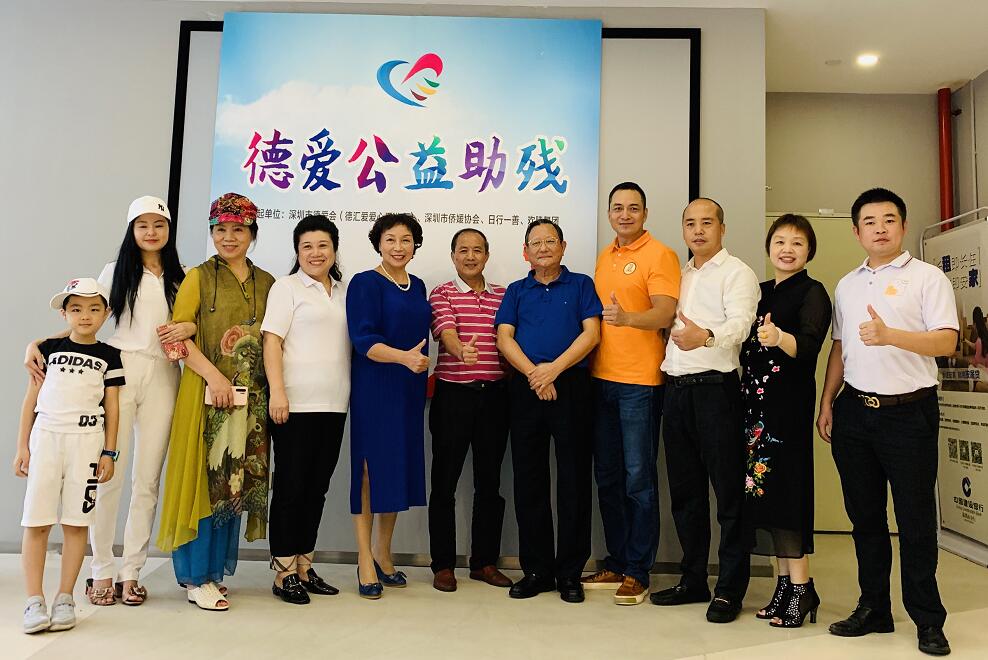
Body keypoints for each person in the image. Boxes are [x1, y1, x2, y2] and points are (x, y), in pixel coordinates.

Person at [25, 196, 192, 608]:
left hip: (165, 374)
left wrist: (188, 326)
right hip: (119, 372)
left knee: (147, 479)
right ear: (131, 230)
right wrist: (40, 343)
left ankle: (131, 571)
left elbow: (191, 325)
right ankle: (101, 569)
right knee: (107, 474)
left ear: (168, 230)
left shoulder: (182, 276)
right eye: (142, 225)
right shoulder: (115, 271)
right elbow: (88, 320)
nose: (151, 232)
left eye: (159, 224)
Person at [817, 188, 957, 656]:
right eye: (870, 222)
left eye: (889, 219)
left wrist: (890, 335)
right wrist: (827, 401)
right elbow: (840, 347)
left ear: (903, 226)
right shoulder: (847, 284)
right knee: (865, 518)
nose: (880, 228)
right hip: (855, 412)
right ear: (856, 232)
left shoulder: (927, 278)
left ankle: (928, 619)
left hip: (909, 413)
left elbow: (946, 342)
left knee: (915, 520)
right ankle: (874, 607)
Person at [156, 193, 275, 611]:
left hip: (251, 401)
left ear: (252, 233)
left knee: (233, 483)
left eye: (238, 229)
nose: (228, 237)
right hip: (207, 394)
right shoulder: (198, 277)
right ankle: (195, 576)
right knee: (204, 482)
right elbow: (173, 339)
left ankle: (213, 572)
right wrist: (214, 376)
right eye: (220, 229)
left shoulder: (267, 282)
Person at [650, 198, 759, 623]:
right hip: (676, 392)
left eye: (707, 223)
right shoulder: (679, 274)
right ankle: (693, 579)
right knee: (685, 495)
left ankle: (730, 589)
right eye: (690, 223)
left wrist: (707, 337)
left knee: (729, 495)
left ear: (722, 228)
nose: (698, 230)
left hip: (716, 392)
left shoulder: (737, 272)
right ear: (683, 230)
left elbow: (742, 325)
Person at [495, 218, 602, 604]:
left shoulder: (581, 285)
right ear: (526, 252)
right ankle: (537, 570)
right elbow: (504, 338)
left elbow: (592, 333)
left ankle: (570, 573)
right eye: (535, 243)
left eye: (550, 241)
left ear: (563, 246)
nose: (543, 248)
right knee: (529, 480)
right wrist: (535, 375)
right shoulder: (516, 290)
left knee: (574, 480)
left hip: (571, 386)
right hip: (527, 387)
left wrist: (553, 370)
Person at [583, 182, 679, 606]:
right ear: (609, 213)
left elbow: (665, 313)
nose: (625, 215)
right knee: (608, 477)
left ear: (645, 213)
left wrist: (627, 319)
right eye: (618, 208)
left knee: (639, 480)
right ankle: (618, 561)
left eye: (633, 208)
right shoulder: (605, 256)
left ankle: (639, 571)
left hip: (640, 383)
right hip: (600, 380)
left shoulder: (660, 254)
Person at [14, 278, 124, 633]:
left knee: (77, 523)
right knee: (37, 521)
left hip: (87, 442)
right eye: (76, 309)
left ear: (106, 313)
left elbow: (113, 407)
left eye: (94, 309)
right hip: (47, 439)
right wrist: (22, 446)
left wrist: (109, 452)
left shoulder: (110, 356)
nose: (85, 316)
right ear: (64, 313)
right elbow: (30, 400)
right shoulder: (47, 349)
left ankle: (65, 598)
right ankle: (34, 600)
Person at [740, 214, 831, 627]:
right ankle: (783, 587)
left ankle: (802, 588)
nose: (787, 249)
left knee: (789, 493)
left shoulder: (813, 292)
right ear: (769, 248)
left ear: (809, 250)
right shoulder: (759, 292)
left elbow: (810, 346)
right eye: (780, 241)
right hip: (753, 410)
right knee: (766, 496)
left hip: (787, 409)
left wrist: (780, 339)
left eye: (797, 242)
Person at [262, 215, 350, 604]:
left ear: (334, 249)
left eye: (323, 245)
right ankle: (283, 572)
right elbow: (271, 342)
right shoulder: (287, 288)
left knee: (317, 489)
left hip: (335, 403)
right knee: (290, 488)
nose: (315, 253)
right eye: (307, 247)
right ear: (297, 252)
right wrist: (278, 393)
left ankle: (304, 565)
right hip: (294, 404)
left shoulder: (345, 291)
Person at [346, 213, 431, 599]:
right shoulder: (365, 282)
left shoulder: (418, 286)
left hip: (408, 388)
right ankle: (364, 558)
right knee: (368, 471)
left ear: (415, 245)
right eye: (391, 239)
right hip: (374, 386)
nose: (399, 247)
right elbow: (363, 339)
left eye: (406, 240)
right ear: (378, 243)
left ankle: (383, 551)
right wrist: (402, 358)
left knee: (396, 467)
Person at [427, 228, 512, 593]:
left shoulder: (504, 295)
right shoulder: (442, 293)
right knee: (444, 484)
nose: (471, 256)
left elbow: (511, 337)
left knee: (489, 484)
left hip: (495, 398)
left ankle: (484, 563)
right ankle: (443, 565)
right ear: (453, 256)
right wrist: (461, 349)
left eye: (477, 250)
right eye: (463, 250)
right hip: (453, 397)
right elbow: (446, 332)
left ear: (487, 256)